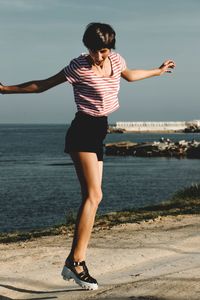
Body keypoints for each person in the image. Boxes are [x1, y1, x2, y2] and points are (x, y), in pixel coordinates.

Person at [0, 22, 175, 290]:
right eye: (95, 51)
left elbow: (129, 75)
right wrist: (5, 89)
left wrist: (158, 71)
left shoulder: (115, 60)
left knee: (93, 197)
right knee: (94, 195)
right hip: (82, 130)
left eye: (103, 51)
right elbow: (42, 85)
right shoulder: (78, 67)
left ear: (110, 49)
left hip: (100, 130)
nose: (99, 56)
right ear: (87, 48)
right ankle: (76, 262)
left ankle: (75, 260)